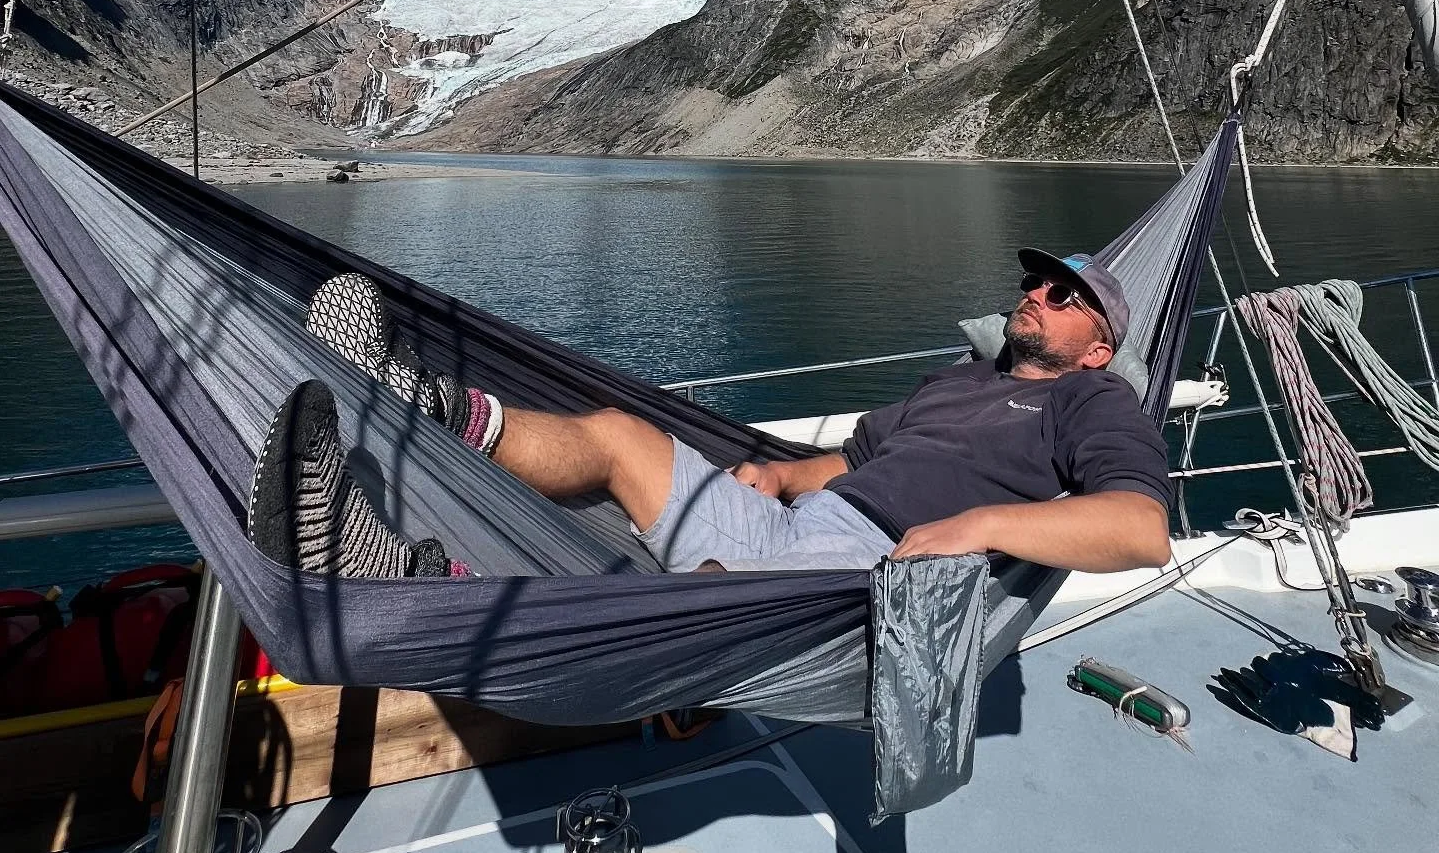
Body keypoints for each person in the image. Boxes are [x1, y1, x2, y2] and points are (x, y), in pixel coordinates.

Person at [247, 252, 1172, 581]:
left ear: (1099, 347)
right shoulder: (956, 381)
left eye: (1065, 295)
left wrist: (980, 526)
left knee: (710, 594)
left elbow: (1141, 530)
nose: (1037, 293)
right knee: (620, 434)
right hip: (797, 519)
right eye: (1035, 281)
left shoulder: (1093, 399)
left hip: (873, 566)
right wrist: (779, 472)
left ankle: (403, 581)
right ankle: (414, 397)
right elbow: (854, 459)